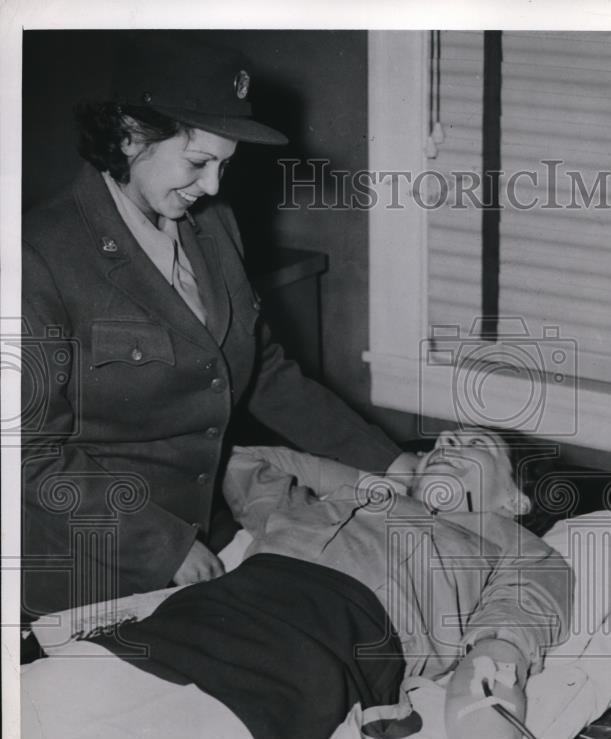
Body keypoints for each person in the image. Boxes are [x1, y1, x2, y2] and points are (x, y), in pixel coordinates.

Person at [21, 31, 414, 619]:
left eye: (224, 166)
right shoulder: (40, 255)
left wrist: (386, 461)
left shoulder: (214, 224)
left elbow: (264, 374)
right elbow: (27, 454)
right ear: (130, 136)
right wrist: (166, 547)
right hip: (98, 561)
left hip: (212, 529)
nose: (212, 188)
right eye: (200, 162)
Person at [94, 427, 572, 739]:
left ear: (516, 500)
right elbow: (243, 459)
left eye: (474, 446)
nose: (445, 445)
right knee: (69, 702)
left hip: (325, 644)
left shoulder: (522, 551)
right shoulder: (340, 501)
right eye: (440, 442)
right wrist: (382, 480)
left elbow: (495, 659)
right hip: (207, 609)